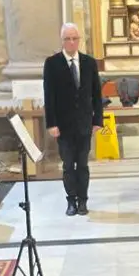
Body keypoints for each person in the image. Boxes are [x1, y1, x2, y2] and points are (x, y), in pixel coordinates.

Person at [42, 23, 102, 216]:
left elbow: (96, 94)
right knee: (68, 165)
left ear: (79, 40)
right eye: (67, 38)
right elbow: (48, 96)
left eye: (74, 38)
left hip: (84, 123)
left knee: (83, 165)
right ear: (62, 41)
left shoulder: (89, 63)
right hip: (63, 125)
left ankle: (83, 200)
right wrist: (51, 123)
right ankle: (71, 201)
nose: (71, 42)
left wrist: (97, 120)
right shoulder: (52, 63)